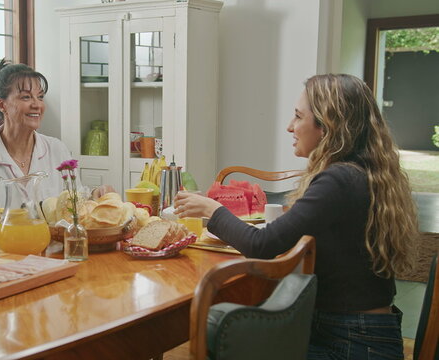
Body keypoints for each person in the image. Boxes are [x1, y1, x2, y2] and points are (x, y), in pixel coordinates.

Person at [174, 74, 418, 359]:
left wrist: (212, 210)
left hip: (352, 344)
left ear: (327, 126)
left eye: (298, 116)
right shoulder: (360, 172)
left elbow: (262, 245)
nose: (290, 126)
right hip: (365, 333)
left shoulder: (338, 179)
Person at [0, 60, 112, 217]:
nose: (37, 105)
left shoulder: (57, 149)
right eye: (26, 97)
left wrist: (95, 195)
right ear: (1, 105)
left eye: (40, 97)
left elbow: (75, 205)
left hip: (54, 241)